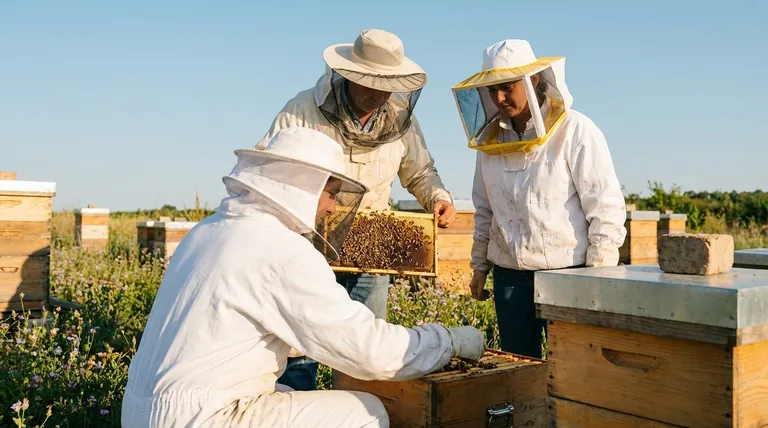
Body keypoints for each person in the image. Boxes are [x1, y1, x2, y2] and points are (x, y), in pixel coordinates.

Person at [121, 127, 484, 428]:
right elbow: (373, 351)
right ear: (301, 185)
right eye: (330, 193)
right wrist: (448, 341)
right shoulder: (280, 250)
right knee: (367, 414)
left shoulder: (208, 230)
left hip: (143, 412)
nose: (331, 206)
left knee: (293, 398)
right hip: (202, 417)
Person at [254, 28, 457, 391]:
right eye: (369, 84)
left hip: (372, 255)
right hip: (308, 248)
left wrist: (438, 198)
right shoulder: (302, 110)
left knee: (362, 350)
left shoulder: (399, 120)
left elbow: (421, 171)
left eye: (386, 85)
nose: (378, 95)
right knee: (297, 350)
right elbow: (269, 169)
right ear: (347, 75)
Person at [451, 39, 627, 359]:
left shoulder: (576, 130)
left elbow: (605, 207)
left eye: (506, 87)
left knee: (575, 369)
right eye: (492, 91)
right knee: (519, 372)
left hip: (568, 274)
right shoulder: (490, 143)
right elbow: (485, 210)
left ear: (533, 80)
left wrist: (599, 274)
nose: (499, 98)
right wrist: (479, 266)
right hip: (510, 279)